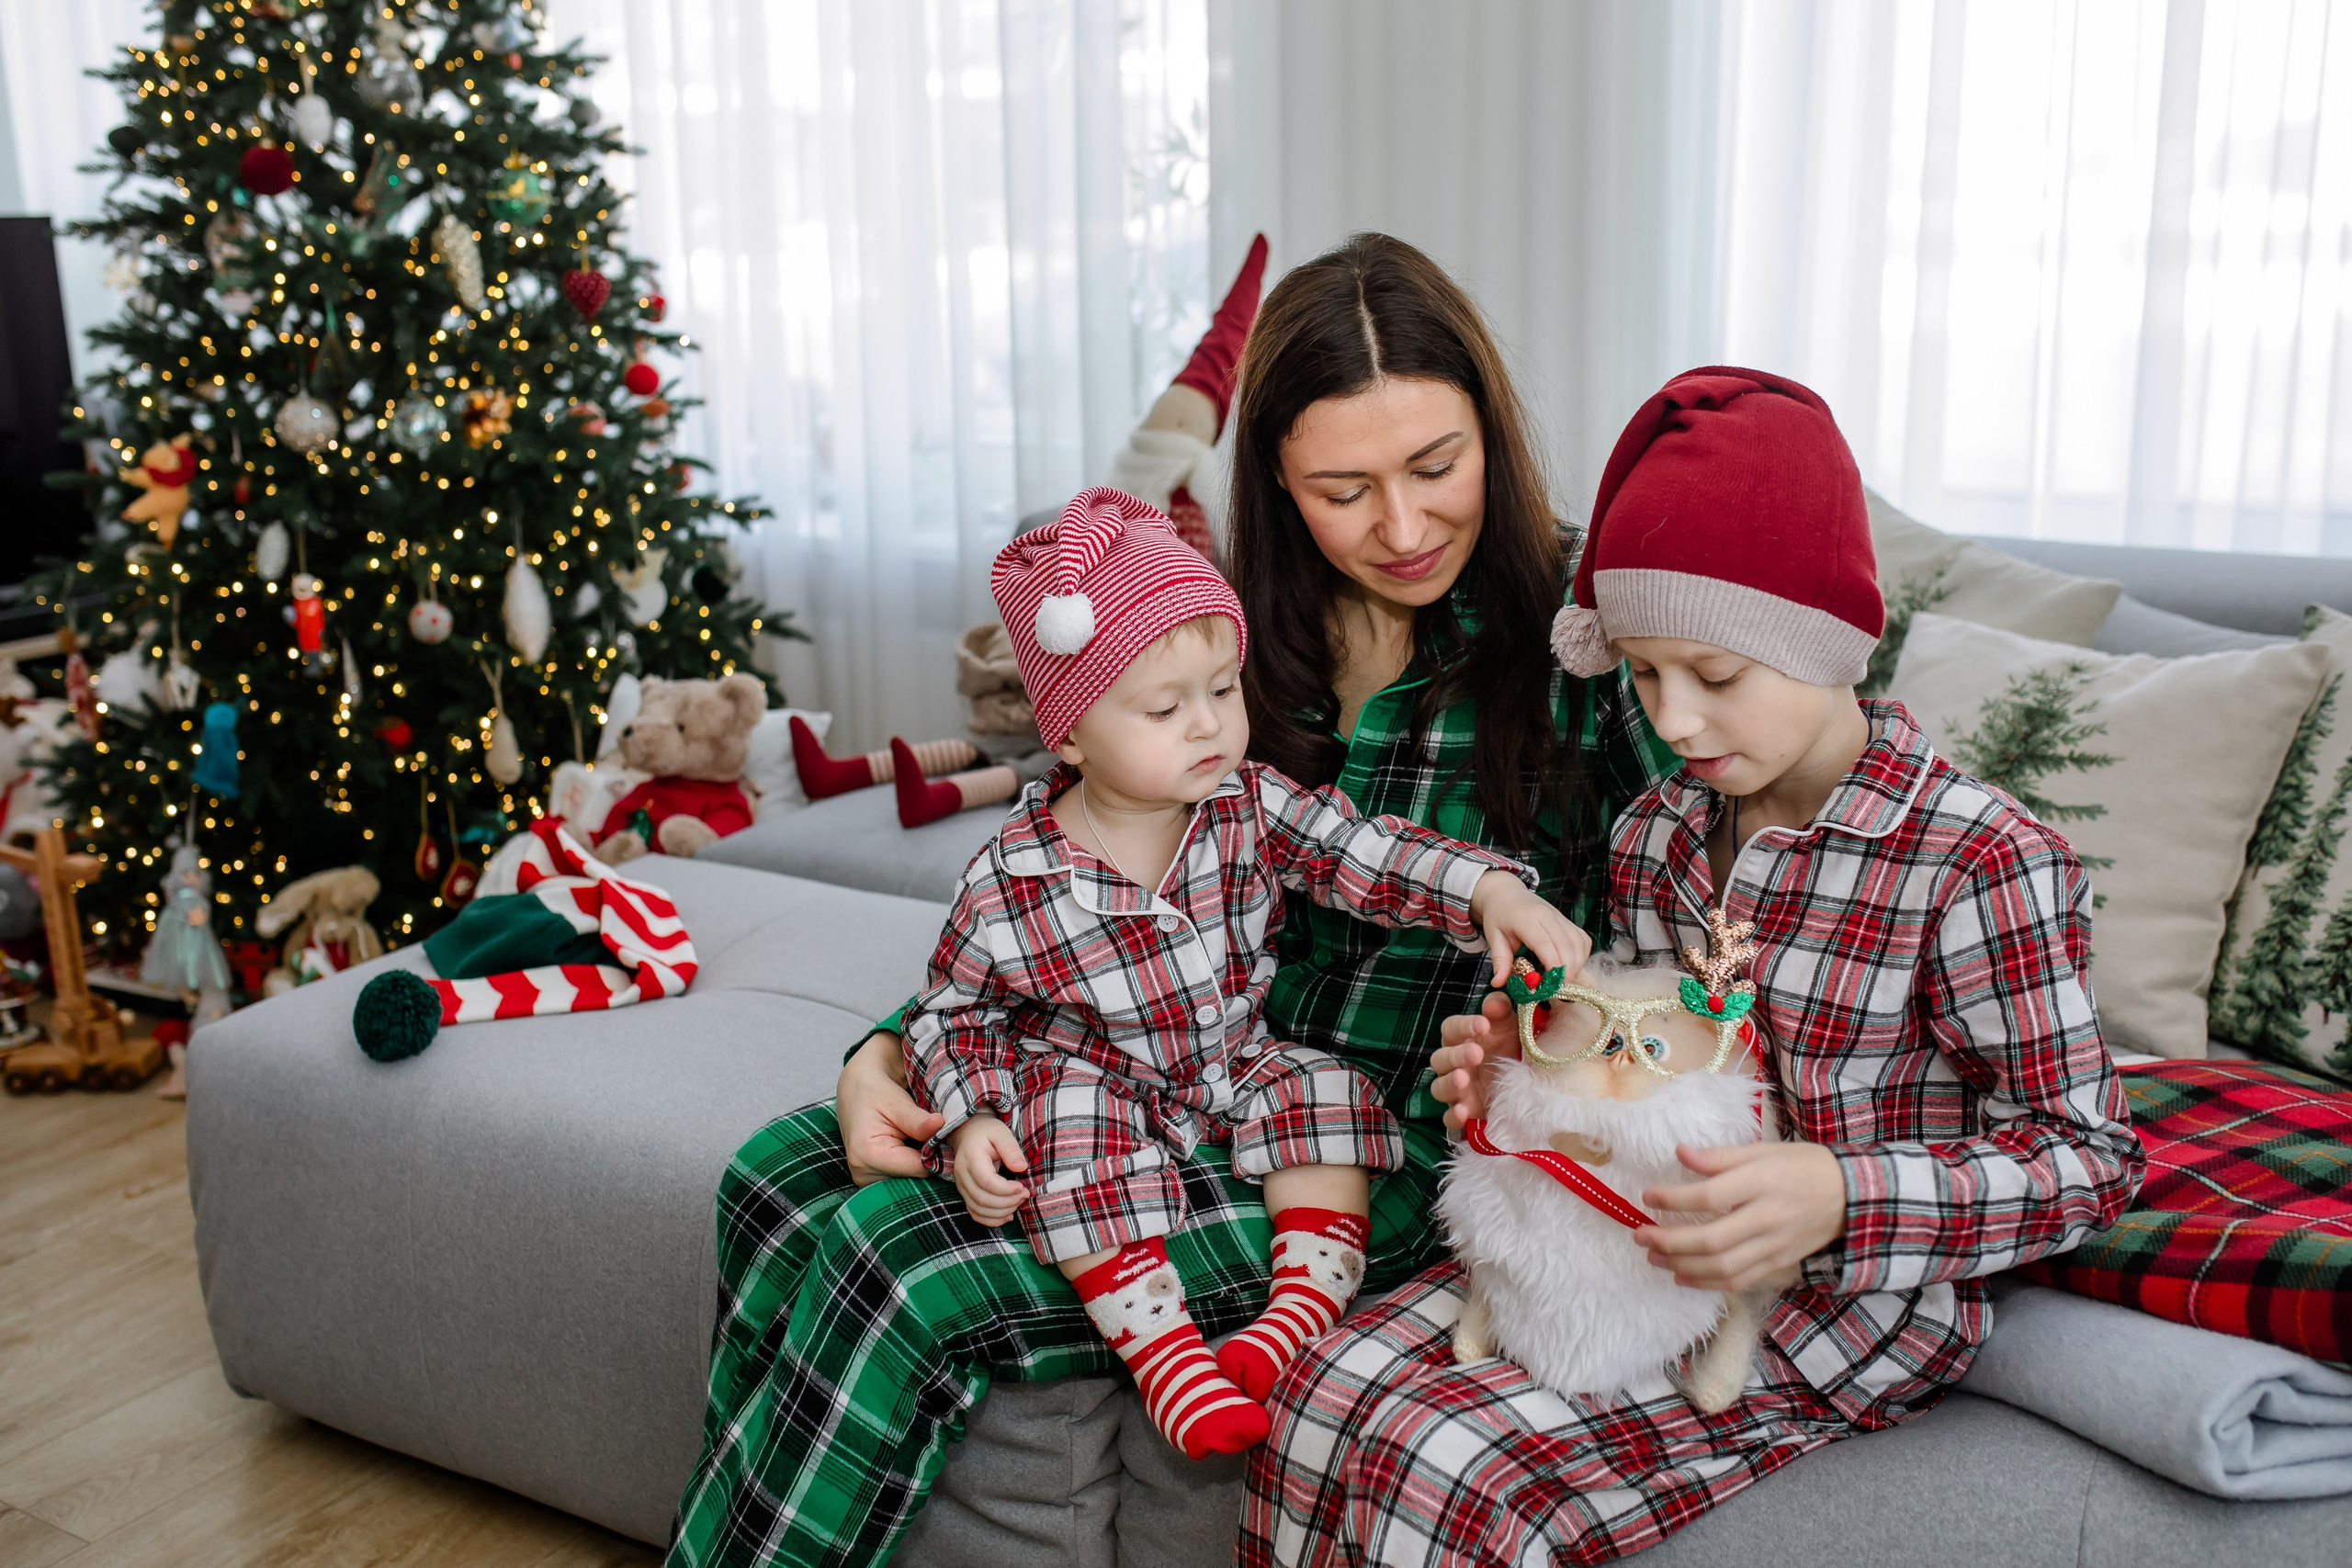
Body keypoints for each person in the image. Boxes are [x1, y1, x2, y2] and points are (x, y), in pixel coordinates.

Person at [664, 233, 1680, 1568]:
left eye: (1437, 466)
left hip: (1361, 1142)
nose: (1402, 526)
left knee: (895, 1264)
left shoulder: (1589, 644)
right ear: (1277, 484)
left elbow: (1695, 947)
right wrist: (887, 1056)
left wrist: (1551, 1032)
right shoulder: (1219, 641)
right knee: (771, 1176)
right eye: (1343, 489)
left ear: (1490, 430)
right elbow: (1076, 889)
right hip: (1156, 1077)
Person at [1239, 367, 2146, 1566]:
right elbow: (1636, 1059)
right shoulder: (1658, 831)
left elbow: (2090, 1156)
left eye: (1716, 678)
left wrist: (1840, 1194)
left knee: (1444, 1460)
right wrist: (1527, 1063)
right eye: (1645, 673)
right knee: (1320, 1384)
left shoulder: (1978, 860)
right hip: (1615, 1250)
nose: (1672, 719)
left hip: (1837, 1312)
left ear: (1830, 639)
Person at [909, 485, 1587, 1461]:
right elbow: (950, 1015)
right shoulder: (1011, 879)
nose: (1209, 728)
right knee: (1065, 1135)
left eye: (1223, 692)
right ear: (1069, 734)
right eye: (1164, 708)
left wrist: (1485, 889)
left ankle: (1296, 1311)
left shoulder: (1245, 804)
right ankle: (1165, 1357)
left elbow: (1362, 849)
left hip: (1235, 1060)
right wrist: (972, 1116)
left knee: (1329, 1094)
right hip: (1096, 1083)